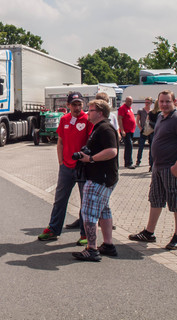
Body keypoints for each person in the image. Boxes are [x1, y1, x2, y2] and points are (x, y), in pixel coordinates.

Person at [129, 90, 177, 250]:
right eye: (162, 101)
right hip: (159, 167)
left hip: (173, 168)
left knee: (176, 201)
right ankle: (149, 232)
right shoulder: (160, 117)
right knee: (156, 199)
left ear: (174, 102)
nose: (164, 104)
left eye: (167, 101)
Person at [38, 92, 91, 245]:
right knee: (60, 200)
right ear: (68, 105)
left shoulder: (87, 119)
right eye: (74, 104)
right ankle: (53, 229)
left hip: (83, 167)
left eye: (79, 104)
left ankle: (85, 233)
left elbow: (91, 142)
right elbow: (60, 141)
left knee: (85, 201)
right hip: (66, 167)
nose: (77, 107)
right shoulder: (64, 119)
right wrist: (60, 161)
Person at [72, 99, 119, 261]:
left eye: (90, 110)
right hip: (105, 177)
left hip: (100, 178)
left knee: (89, 213)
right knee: (104, 210)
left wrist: (90, 159)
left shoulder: (105, 128)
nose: (87, 112)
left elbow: (112, 151)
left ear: (99, 113)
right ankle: (108, 244)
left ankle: (91, 248)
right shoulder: (100, 128)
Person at [118, 96, 136, 169]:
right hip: (126, 131)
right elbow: (119, 119)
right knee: (129, 146)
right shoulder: (122, 108)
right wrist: (122, 130)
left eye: (131, 101)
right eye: (128, 101)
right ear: (125, 101)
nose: (130, 102)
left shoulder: (130, 108)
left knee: (130, 146)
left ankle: (128, 162)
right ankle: (128, 163)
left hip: (131, 130)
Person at [136, 97, 153, 167]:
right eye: (145, 102)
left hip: (150, 130)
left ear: (151, 103)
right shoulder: (141, 110)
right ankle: (138, 161)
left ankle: (151, 162)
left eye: (148, 102)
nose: (146, 104)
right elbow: (137, 121)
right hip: (143, 130)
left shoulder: (152, 111)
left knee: (151, 147)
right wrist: (140, 128)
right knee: (141, 146)